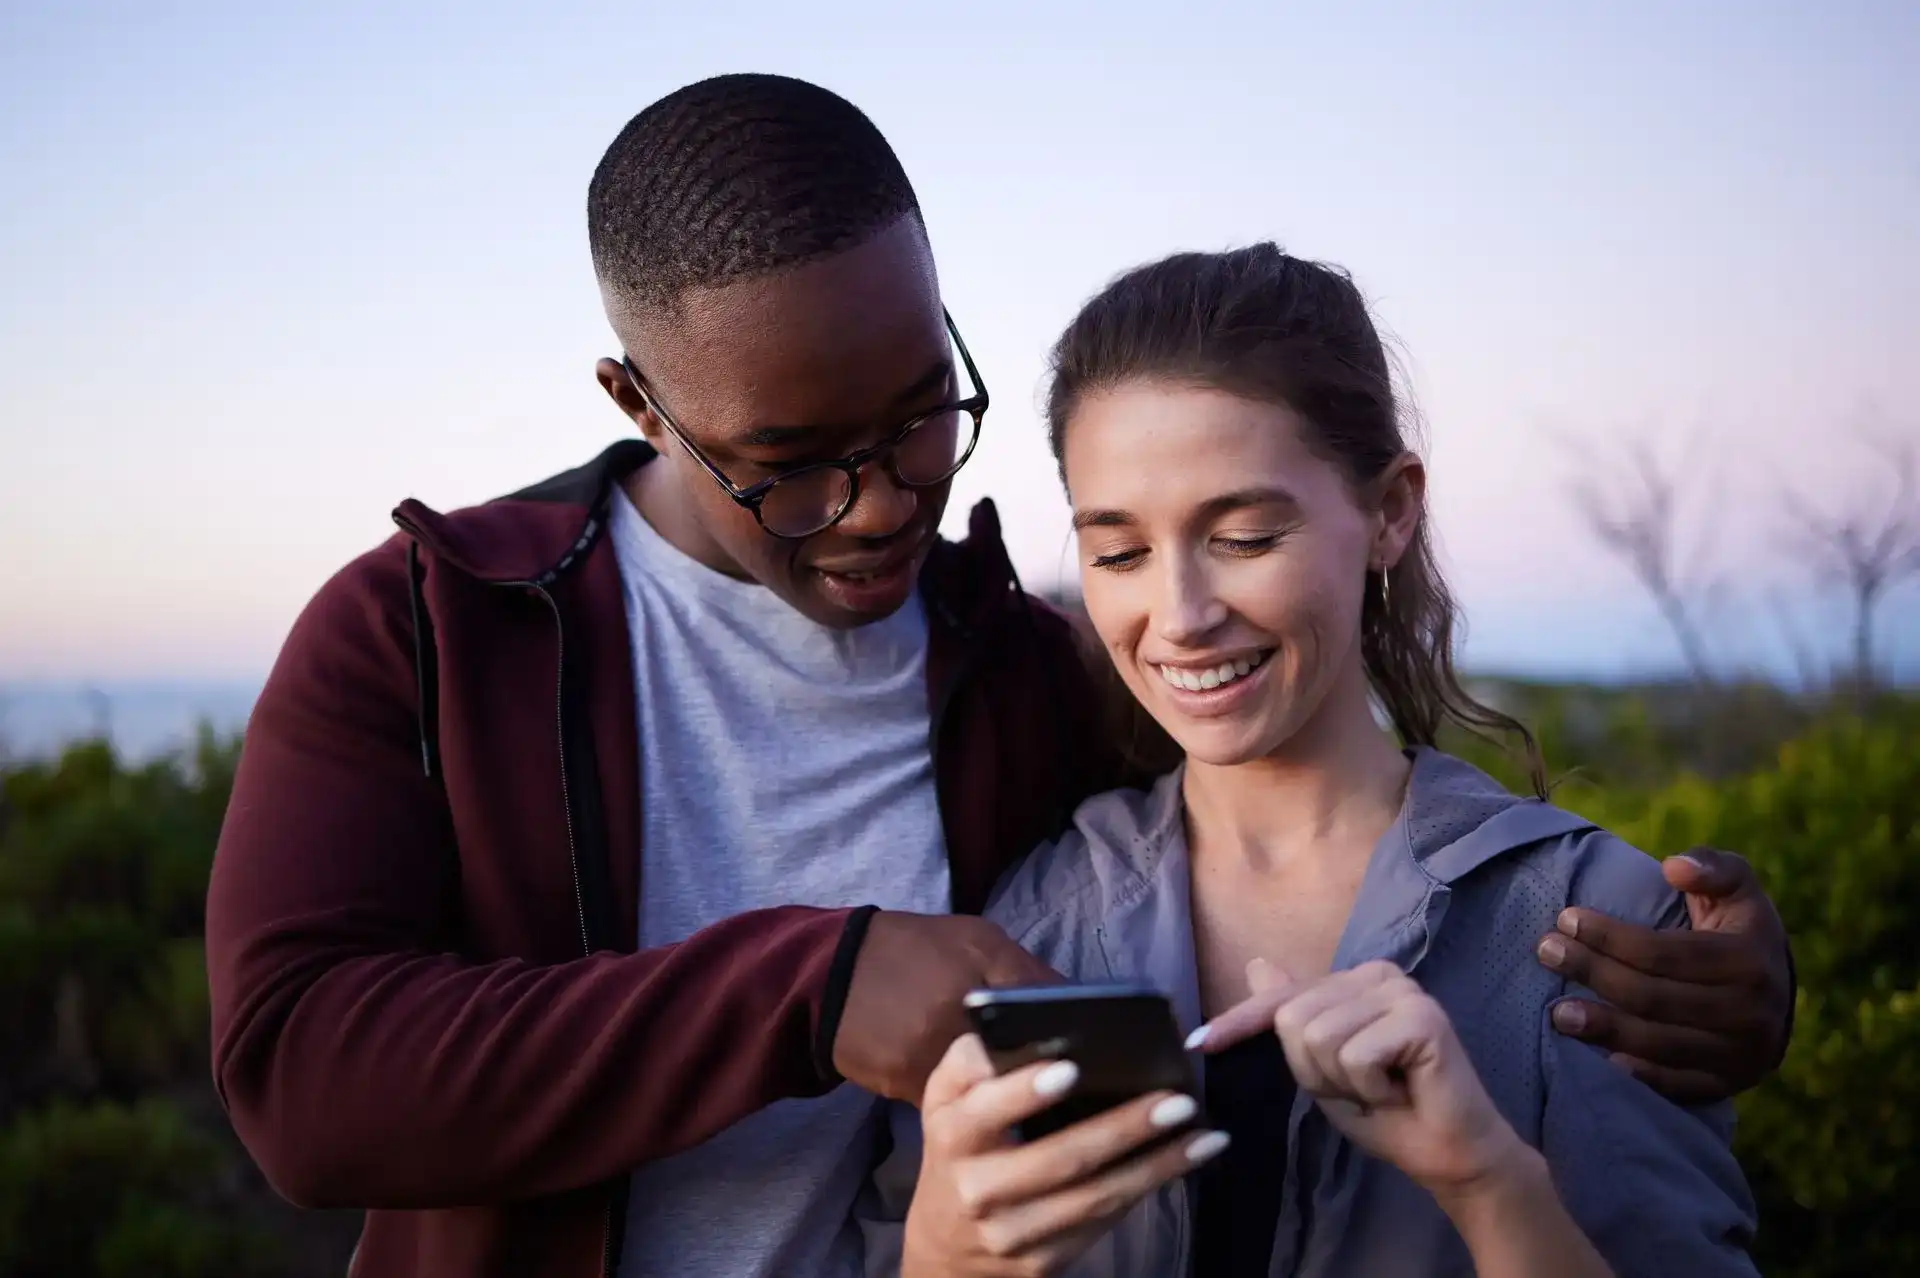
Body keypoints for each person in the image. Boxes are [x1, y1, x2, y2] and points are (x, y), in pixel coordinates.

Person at [203, 77, 1790, 1278]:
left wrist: (1717, 986)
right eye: (794, 467)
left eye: (917, 414)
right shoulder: (433, 630)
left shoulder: (1017, 674)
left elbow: (1292, 781)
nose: (886, 498)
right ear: (640, 398)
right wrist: (810, 986)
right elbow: (298, 1075)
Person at [875, 245, 1761, 1276]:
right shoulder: (1034, 919)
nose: (1181, 616)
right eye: (1118, 553)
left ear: (1389, 512)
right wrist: (941, 1252)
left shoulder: (1591, 922)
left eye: (1245, 537)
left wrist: (1485, 1179)